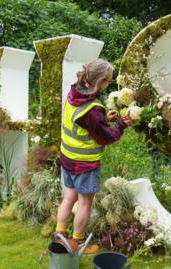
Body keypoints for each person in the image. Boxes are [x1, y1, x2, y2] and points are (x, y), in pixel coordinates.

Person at [55, 59, 132, 255]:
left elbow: (83, 122)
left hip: (67, 158)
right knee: (84, 202)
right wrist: (122, 124)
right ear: (100, 81)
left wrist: (105, 119)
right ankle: (78, 242)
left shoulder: (74, 93)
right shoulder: (93, 110)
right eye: (108, 81)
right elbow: (106, 136)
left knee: (69, 197)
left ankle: (60, 234)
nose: (109, 84)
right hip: (84, 163)